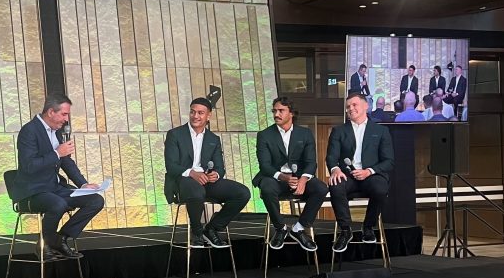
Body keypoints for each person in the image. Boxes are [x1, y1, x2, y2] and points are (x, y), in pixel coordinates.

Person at [15, 93, 105, 260]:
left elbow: (66, 162)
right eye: (64, 114)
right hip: (34, 191)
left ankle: (60, 239)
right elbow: (29, 166)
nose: (66, 119)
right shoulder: (29, 131)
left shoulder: (56, 132)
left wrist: (83, 184)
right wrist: (57, 153)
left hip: (55, 188)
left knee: (95, 200)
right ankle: (44, 244)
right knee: (58, 204)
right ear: (51, 112)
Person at [164, 97, 251, 248]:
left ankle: (212, 229)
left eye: (200, 113)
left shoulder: (213, 139)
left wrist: (215, 174)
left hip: (206, 181)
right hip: (182, 180)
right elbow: (171, 166)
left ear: (208, 116)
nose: (195, 116)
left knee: (242, 193)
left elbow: (220, 168)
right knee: (196, 191)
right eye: (192, 112)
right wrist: (192, 173)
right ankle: (197, 232)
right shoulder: (175, 134)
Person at [253, 96, 328, 251]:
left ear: (291, 113)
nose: (276, 114)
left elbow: (311, 162)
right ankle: (280, 228)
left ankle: (298, 228)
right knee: (267, 187)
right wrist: (283, 177)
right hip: (275, 177)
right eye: (274, 111)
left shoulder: (305, 133)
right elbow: (265, 166)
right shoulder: (264, 135)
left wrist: (303, 180)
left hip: (299, 178)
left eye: (281, 110)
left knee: (321, 188)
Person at [326, 92, 394, 251]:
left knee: (380, 189)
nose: (350, 108)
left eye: (354, 105)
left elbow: (389, 161)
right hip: (347, 175)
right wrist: (335, 170)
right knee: (335, 186)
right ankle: (345, 230)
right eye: (348, 107)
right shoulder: (338, 131)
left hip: (371, 175)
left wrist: (369, 171)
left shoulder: (381, 131)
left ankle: (368, 227)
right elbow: (331, 157)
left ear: (366, 106)